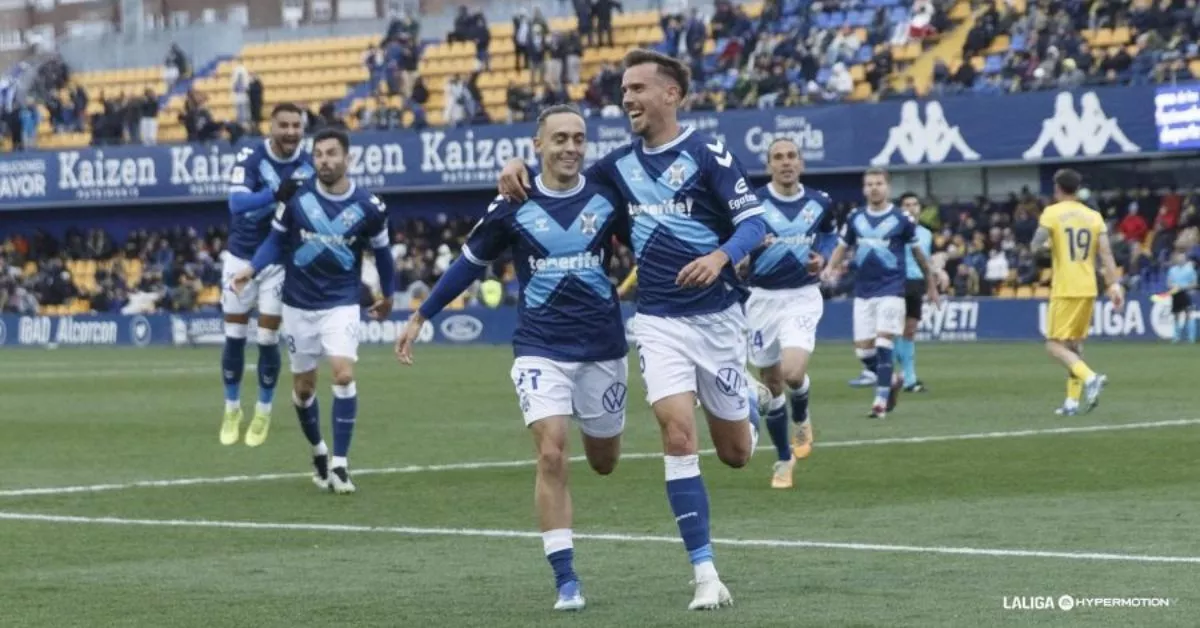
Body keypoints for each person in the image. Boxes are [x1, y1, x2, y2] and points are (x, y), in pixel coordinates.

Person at [497, 48, 767, 611]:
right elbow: (558, 180)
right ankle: (705, 573)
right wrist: (515, 169)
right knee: (676, 434)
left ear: (672, 94)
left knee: (737, 453)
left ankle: (749, 401)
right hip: (659, 321)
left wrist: (720, 257)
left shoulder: (706, 152)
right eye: (624, 91)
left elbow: (755, 222)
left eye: (638, 89)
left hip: (717, 319)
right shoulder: (615, 166)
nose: (627, 99)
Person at [397, 105, 626, 612]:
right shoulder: (512, 203)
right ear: (537, 146)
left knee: (605, 462)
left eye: (578, 138)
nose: (570, 147)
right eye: (559, 138)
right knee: (551, 452)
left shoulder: (609, 195)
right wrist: (423, 314)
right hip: (540, 347)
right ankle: (566, 579)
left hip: (603, 348)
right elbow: (470, 264)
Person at [231, 128, 395, 493]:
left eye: (332, 153)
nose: (325, 160)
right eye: (319, 154)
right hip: (297, 304)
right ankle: (319, 451)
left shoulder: (370, 207)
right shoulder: (295, 199)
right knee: (304, 390)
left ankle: (340, 463)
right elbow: (275, 242)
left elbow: (383, 254)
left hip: (340, 303)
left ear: (347, 158)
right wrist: (252, 268)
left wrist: (389, 293)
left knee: (342, 374)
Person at [744, 138, 836, 489]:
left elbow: (828, 236)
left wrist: (822, 258)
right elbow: (735, 241)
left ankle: (802, 414)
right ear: (769, 165)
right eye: (778, 157)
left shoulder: (819, 202)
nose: (785, 162)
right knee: (770, 384)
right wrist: (748, 250)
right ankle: (784, 459)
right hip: (760, 299)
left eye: (791, 156)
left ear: (801, 163)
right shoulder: (752, 203)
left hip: (801, 295)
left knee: (792, 372)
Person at [220, 103, 312, 447]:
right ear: (270, 128)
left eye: (296, 125)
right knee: (234, 335)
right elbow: (236, 204)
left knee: (268, 339)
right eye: (284, 125)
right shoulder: (252, 158)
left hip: (279, 260)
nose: (291, 131)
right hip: (240, 256)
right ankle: (232, 408)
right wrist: (274, 195)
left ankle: (263, 410)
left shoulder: (310, 163)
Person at [823, 168, 939, 419]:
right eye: (869, 184)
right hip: (864, 292)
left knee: (884, 341)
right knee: (864, 351)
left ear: (887, 187)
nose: (874, 188)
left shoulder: (901, 220)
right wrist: (830, 268)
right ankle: (893, 379)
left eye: (878, 183)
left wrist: (931, 284)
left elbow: (920, 257)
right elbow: (842, 247)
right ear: (864, 189)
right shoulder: (855, 218)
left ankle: (880, 401)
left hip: (892, 290)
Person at [1031, 168, 1122, 415]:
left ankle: (1091, 377)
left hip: (1065, 287)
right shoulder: (1093, 216)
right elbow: (1106, 254)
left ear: (1057, 188)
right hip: (1088, 287)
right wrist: (1114, 285)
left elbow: (1034, 246)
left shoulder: (1052, 213)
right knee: (1074, 347)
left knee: (1054, 345)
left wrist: (1050, 245)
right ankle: (1072, 402)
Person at [896, 192, 934, 392]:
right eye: (906, 204)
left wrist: (933, 282)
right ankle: (906, 377)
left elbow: (926, 261)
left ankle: (907, 377)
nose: (911, 208)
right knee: (895, 329)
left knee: (910, 330)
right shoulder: (895, 230)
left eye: (914, 204)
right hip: (897, 281)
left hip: (916, 282)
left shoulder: (926, 234)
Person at [1166, 253, 1197, 344]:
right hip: (1175, 293)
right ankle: (1176, 337)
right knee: (1176, 315)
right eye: (1179, 259)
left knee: (1188, 314)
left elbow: (1194, 283)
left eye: (1182, 258)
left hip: (1185, 293)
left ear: (1185, 259)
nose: (1180, 260)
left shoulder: (1190, 270)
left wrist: (1184, 287)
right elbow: (1168, 283)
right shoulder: (1172, 270)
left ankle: (1191, 338)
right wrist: (1172, 286)